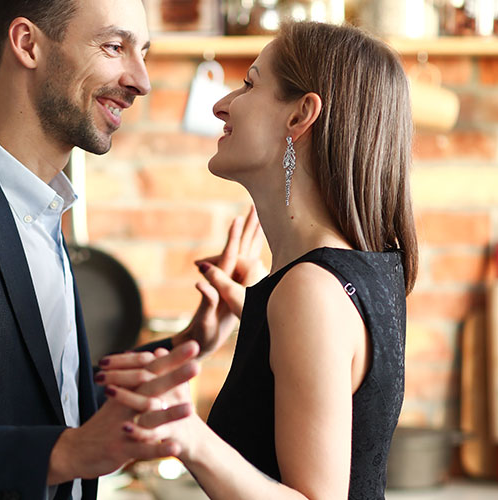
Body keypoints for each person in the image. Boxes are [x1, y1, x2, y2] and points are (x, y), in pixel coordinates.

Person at [0, 1, 251, 498]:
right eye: (114, 47)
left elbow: (53, 404)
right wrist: (72, 452)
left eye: (143, 53)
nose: (141, 80)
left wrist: (188, 342)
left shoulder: (40, 209)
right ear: (27, 44)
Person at [96, 21, 418, 500]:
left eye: (249, 83)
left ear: (300, 116)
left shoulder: (311, 292)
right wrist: (254, 313)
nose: (221, 104)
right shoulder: (353, 272)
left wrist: (190, 436)